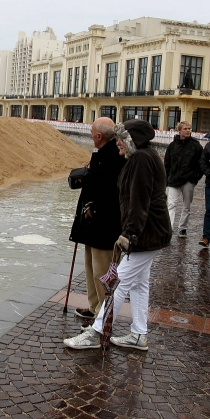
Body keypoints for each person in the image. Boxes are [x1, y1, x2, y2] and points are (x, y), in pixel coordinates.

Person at [63, 119, 172, 351]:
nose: (118, 144)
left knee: (117, 283)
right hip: (152, 233)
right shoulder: (142, 157)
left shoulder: (141, 159)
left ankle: (96, 332)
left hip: (144, 235)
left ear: (131, 140)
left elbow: (139, 201)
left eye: (121, 140)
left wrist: (129, 234)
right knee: (139, 285)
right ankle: (139, 334)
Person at [69, 117, 126, 322]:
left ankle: (104, 315)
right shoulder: (101, 153)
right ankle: (95, 307)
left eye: (92, 132)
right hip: (92, 225)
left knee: (102, 272)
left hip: (104, 226)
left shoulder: (115, 157)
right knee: (91, 269)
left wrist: (95, 209)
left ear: (99, 136)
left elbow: (113, 193)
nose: (91, 135)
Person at [164, 121, 203, 238]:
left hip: (188, 180)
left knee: (186, 206)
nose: (187, 130)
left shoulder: (196, 146)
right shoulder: (172, 146)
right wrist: (167, 178)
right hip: (174, 180)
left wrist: (194, 178)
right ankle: (169, 228)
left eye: (189, 128)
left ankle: (182, 228)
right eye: (185, 128)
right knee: (171, 204)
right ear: (179, 131)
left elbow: (201, 164)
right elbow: (167, 163)